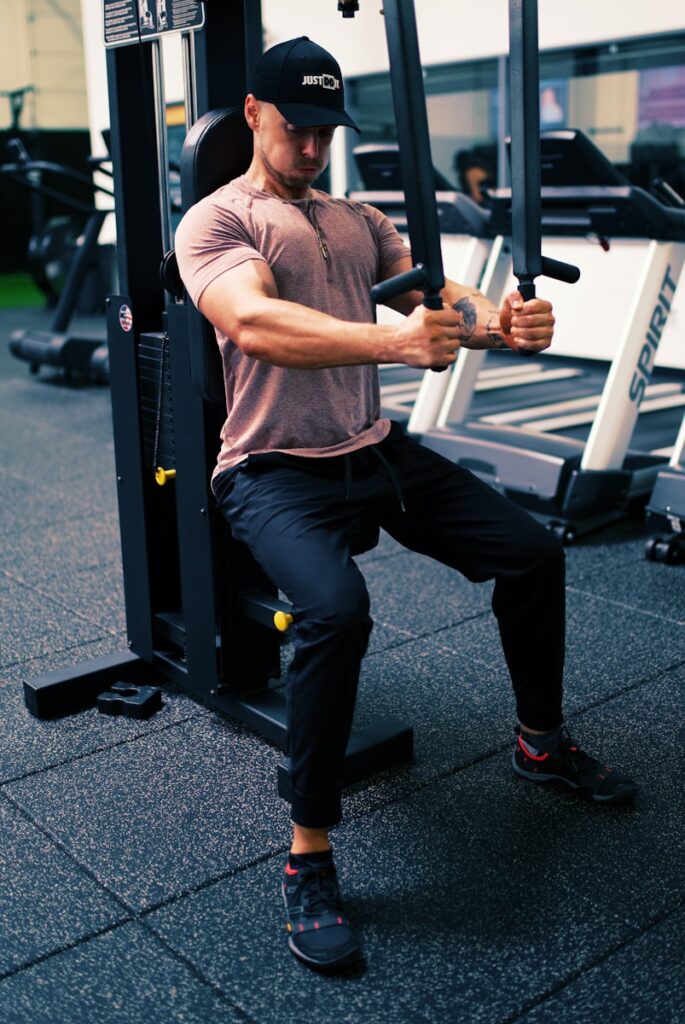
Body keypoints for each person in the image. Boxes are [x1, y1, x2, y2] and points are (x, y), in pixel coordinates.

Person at [175, 36, 638, 974]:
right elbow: (253, 322)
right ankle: (307, 855)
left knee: (532, 552)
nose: (312, 146)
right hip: (270, 467)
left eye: (325, 131)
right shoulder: (216, 222)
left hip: (373, 450)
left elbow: (439, 298)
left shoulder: (355, 217)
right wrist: (393, 348)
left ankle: (538, 745)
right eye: (296, 127)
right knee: (336, 612)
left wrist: (502, 325)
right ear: (256, 114)